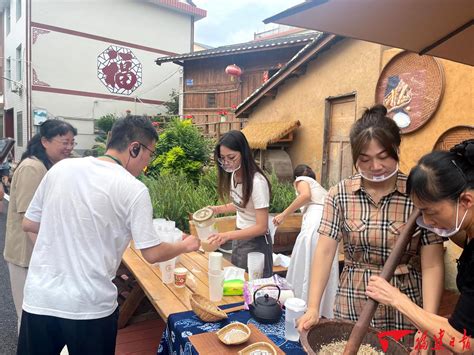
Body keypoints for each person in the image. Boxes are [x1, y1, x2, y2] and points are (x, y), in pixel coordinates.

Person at [18, 116, 200, 355]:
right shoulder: (133, 189)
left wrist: (69, 231)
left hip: (41, 298)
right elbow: (152, 252)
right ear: (135, 148)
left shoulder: (61, 168)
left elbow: (30, 223)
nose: (147, 163)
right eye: (149, 154)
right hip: (90, 306)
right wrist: (184, 246)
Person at [297, 105, 445, 347]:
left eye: (384, 157)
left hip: (404, 302)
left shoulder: (417, 194)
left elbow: (432, 263)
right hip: (354, 299)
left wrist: (427, 322)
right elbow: (325, 252)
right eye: (365, 160)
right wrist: (313, 307)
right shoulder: (340, 195)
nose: (375, 167)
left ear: (396, 150)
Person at [366, 139, 474, 353]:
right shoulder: (467, 233)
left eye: (431, 212)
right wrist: (428, 328)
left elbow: (464, 344)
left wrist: (397, 299)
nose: (427, 222)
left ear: (466, 202)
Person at [3, 119, 78, 331]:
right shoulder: (32, 168)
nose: (70, 148)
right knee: (28, 315)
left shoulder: (48, 165)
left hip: (38, 253)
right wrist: (50, 254)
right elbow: (29, 219)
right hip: (26, 254)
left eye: (72, 142)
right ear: (45, 141)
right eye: (64, 142)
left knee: (41, 316)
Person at [273, 164, 338, 314]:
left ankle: (301, 306)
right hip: (327, 224)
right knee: (323, 266)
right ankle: (321, 309)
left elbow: (305, 196)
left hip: (315, 223)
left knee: (306, 262)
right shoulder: (320, 188)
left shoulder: (301, 180)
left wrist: (283, 214)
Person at [207, 130, 273, 277]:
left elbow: (262, 227)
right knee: (238, 283)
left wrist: (227, 235)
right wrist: (216, 210)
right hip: (239, 235)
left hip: (256, 242)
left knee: (254, 287)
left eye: (231, 157)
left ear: (244, 153)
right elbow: (240, 204)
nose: (226, 163)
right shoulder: (234, 175)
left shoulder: (257, 183)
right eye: (222, 158)